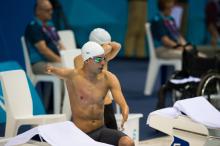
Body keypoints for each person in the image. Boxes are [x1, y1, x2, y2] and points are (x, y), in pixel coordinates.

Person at [46, 41, 134, 146]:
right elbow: (57, 71)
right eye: (98, 59)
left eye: (104, 59)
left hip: (101, 131)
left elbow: (121, 102)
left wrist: (125, 108)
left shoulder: (109, 77)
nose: (102, 63)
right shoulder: (73, 76)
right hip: (79, 134)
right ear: (87, 60)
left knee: (127, 142)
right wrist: (50, 69)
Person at [74, 28, 121, 130]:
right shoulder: (79, 59)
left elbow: (117, 46)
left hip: (106, 105)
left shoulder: (102, 58)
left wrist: (108, 45)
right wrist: (103, 49)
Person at [25, 0, 65, 112]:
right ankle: (60, 110)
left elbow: (60, 45)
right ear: (38, 11)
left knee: (70, 68)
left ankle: (67, 107)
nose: (51, 12)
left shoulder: (50, 25)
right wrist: (62, 61)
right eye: (48, 10)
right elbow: (43, 50)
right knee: (62, 71)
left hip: (53, 62)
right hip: (38, 64)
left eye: (51, 9)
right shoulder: (33, 27)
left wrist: (67, 57)